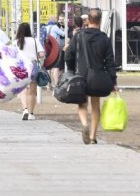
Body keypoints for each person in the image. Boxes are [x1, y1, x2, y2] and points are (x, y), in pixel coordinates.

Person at [65, 8, 118, 145]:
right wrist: (113, 81)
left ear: (87, 20)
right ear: (100, 21)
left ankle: (84, 124)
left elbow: (68, 55)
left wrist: (71, 69)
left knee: (82, 104)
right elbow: (110, 62)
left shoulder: (78, 36)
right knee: (95, 106)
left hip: (81, 75)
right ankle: (93, 136)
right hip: (98, 76)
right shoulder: (104, 38)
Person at [15, 22, 44, 121]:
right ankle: (31, 113)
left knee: (22, 90)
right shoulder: (35, 41)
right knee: (32, 92)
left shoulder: (16, 42)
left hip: (21, 66)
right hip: (33, 65)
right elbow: (41, 54)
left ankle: (25, 109)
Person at [47, 14, 67, 86]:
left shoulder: (45, 27)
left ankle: (48, 84)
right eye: (56, 18)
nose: (57, 19)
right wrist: (65, 26)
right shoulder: (55, 27)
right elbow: (64, 34)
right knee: (57, 66)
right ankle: (56, 84)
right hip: (55, 48)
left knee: (48, 66)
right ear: (54, 19)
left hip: (47, 48)